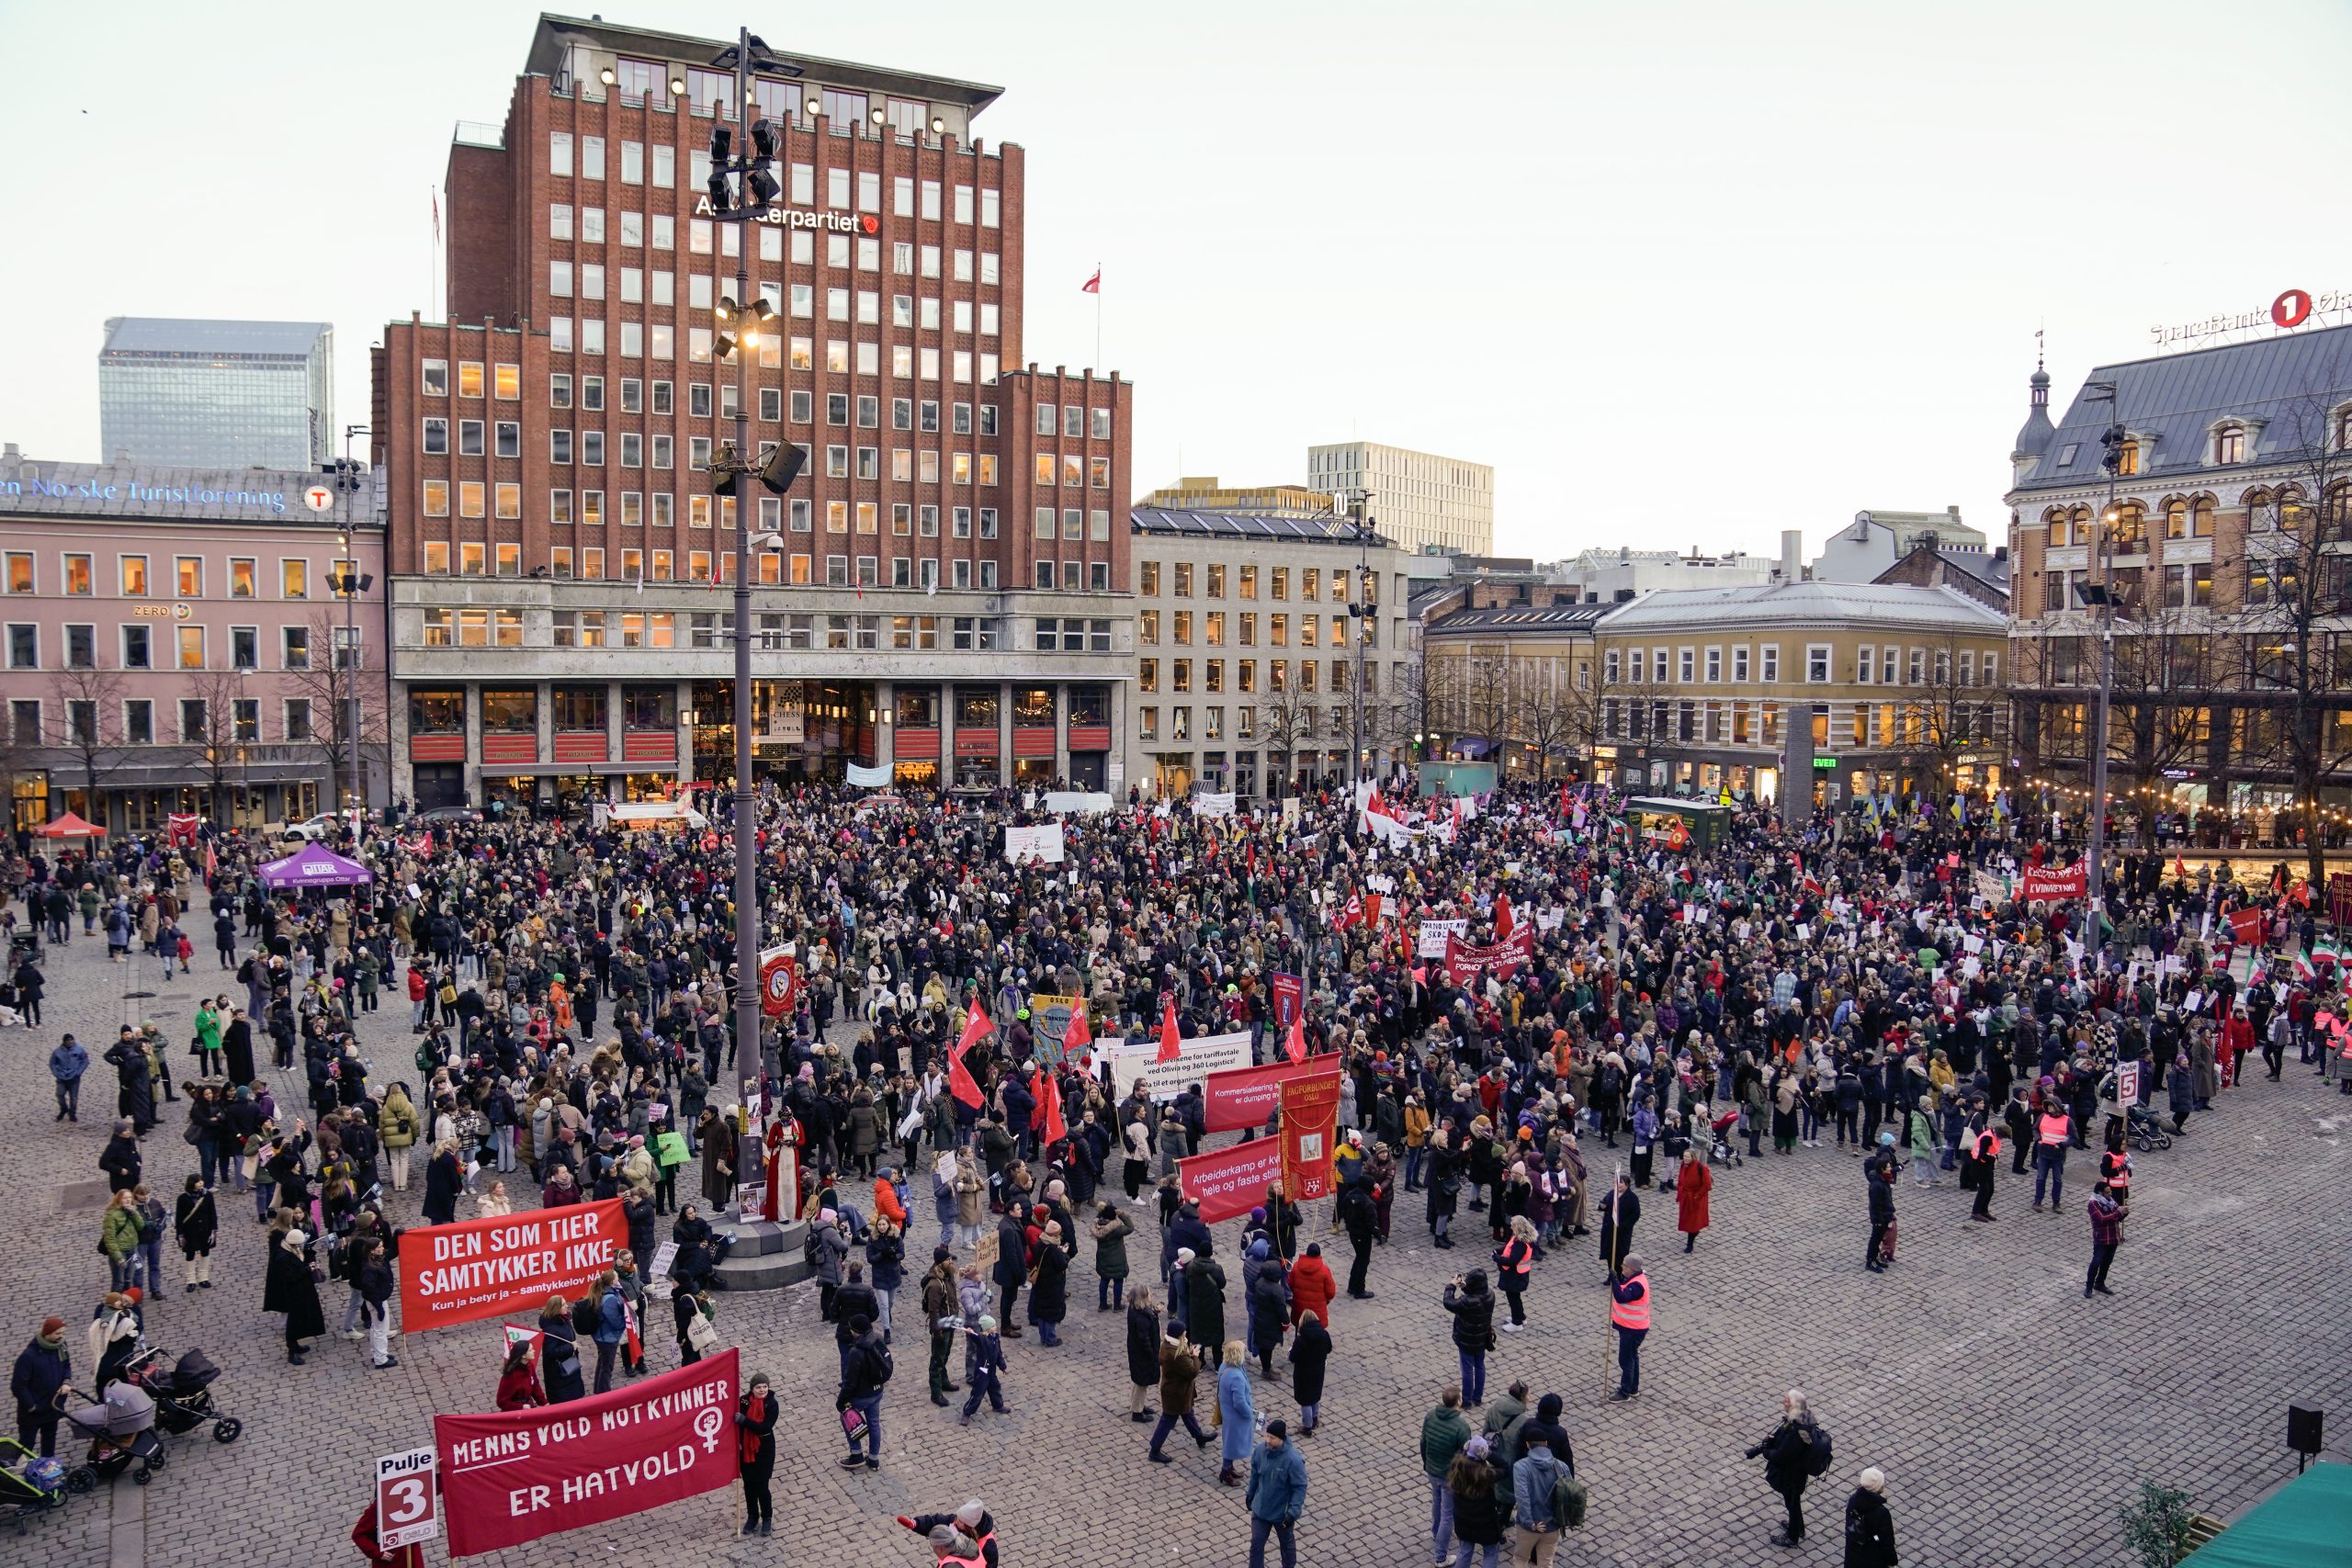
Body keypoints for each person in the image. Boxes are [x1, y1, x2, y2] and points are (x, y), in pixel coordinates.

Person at [1744, 1389, 1823, 1548]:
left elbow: (1782, 1456)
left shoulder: (1796, 1431)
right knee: (1793, 1502)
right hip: (1795, 1472)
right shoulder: (1800, 1419)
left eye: (1786, 1401)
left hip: (1792, 1474)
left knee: (1792, 1503)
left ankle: (1792, 1537)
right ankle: (1798, 1527)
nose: (1783, 1402)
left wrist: (1766, 1451)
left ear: (1794, 1405)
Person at [1244, 1417, 1306, 1568]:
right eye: (1267, 1436)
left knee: (1287, 1546)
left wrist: (1293, 1512)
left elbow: (1300, 1487)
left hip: (1282, 1514)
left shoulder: (1293, 1460)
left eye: (1272, 1438)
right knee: (1256, 1545)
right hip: (1261, 1510)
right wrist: (1250, 1493)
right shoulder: (1260, 1451)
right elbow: (1255, 1473)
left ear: (1281, 1439)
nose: (1268, 1440)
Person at [264, 1218, 326, 1365]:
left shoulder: (290, 1250)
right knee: (294, 1323)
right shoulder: (282, 1257)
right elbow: (291, 1276)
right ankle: (292, 1351)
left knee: (299, 1320)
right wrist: (307, 1269)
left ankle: (295, 1345)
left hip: (302, 1290)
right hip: (294, 1293)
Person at [1422, 1386, 1474, 1561]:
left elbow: (1423, 1442)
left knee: (1437, 1502)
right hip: (1449, 1476)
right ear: (1458, 1401)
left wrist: (1426, 1463)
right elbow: (1466, 1456)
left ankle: (1436, 1533)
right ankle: (1441, 1555)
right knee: (1448, 1514)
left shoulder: (1430, 1415)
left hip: (1432, 1469)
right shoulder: (1461, 1426)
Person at [1148, 1325, 1212, 1462]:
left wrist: (1187, 1353)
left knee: (1188, 1413)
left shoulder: (1167, 1346)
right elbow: (1192, 1372)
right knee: (1167, 1421)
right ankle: (1154, 1450)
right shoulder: (1177, 1355)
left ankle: (1199, 1436)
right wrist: (1194, 1357)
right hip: (1177, 1393)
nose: (1185, 1335)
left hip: (1174, 1391)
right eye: (1184, 1334)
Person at [1446, 1435, 1511, 1568]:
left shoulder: (1457, 1468)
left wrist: (1466, 1448)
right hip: (1486, 1524)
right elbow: (1505, 1468)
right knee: (1490, 1553)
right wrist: (1488, 1454)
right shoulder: (1487, 1475)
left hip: (1463, 1520)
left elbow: (1459, 1453)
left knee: (1464, 1552)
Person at [837, 1313, 891, 1471]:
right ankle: (873, 1459)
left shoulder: (856, 1351)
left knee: (846, 1417)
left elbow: (850, 1381)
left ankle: (856, 1454)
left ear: (856, 1331)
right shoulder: (878, 1339)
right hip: (877, 1391)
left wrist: (841, 1401)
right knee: (874, 1423)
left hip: (861, 1395)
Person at [11, 1317, 72, 1458]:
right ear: (47, 1333)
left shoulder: (61, 1347)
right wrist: (31, 1405)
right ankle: (17, 1472)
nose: (61, 1336)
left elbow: (66, 1366)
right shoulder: (28, 1357)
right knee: (26, 1444)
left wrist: (66, 1382)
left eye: (63, 1333)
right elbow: (18, 1385)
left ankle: (47, 1469)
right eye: (58, 1333)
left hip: (53, 1406)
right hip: (33, 1412)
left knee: (49, 1441)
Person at [1509, 1428, 1566, 1565]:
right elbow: (1567, 1495)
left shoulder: (1520, 1467)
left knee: (1521, 1559)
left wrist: (1530, 1523)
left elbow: (1522, 1497)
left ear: (1528, 1445)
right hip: (1552, 1526)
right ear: (1546, 1443)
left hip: (1530, 1527)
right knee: (1545, 1563)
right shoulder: (1561, 1466)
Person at [1443, 1269, 1497, 1408]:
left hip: (1466, 1340)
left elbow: (1449, 1303)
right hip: (1481, 1338)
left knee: (1467, 1370)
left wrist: (1451, 1286)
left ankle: (1466, 1401)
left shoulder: (1466, 1301)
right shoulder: (1490, 1294)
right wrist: (1465, 1287)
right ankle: (1477, 1397)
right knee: (1480, 1366)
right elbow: (1475, 1296)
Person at [733, 1371, 777, 1535]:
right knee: (749, 1486)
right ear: (752, 1388)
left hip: (764, 1450)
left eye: (765, 1386)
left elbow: (765, 1427)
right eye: (758, 1387)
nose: (762, 1390)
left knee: (762, 1486)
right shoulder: (743, 1401)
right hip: (745, 1449)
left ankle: (767, 1517)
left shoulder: (772, 1404)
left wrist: (745, 1421)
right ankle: (752, 1516)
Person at [896, 1501, 1001, 1568]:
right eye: (958, 1517)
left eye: (961, 1521)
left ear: (970, 1527)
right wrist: (916, 1524)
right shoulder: (956, 1522)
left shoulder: (987, 1544)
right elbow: (935, 1522)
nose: (956, 1521)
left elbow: (991, 1565)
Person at [1608, 1254, 1649, 1402]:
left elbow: (1622, 1297)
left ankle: (1625, 1391)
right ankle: (1633, 1388)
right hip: (1632, 1327)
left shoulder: (1637, 1285)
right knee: (1632, 1357)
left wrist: (1614, 1280)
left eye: (1624, 1266)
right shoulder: (1634, 1279)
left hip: (1633, 1329)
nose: (1621, 1267)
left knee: (1626, 1360)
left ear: (1631, 1269)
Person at [1218, 1337, 1255, 1485]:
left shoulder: (1224, 1367)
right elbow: (1239, 1401)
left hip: (1228, 1413)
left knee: (1230, 1441)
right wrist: (1249, 1413)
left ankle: (1229, 1468)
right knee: (1231, 1443)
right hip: (1236, 1416)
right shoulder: (1236, 1376)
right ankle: (1226, 1471)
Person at [958, 1313, 1006, 1425]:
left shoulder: (996, 1339)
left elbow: (999, 1354)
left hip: (991, 1371)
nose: (995, 1327)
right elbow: (976, 1337)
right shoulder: (983, 1339)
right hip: (983, 1372)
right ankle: (967, 1412)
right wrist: (970, 1333)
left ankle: (998, 1405)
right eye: (993, 1326)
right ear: (987, 1329)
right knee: (977, 1393)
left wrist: (1003, 1366)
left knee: (995, 1388)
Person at [1844, 1468, 1897, 1567]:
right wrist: (1892, 1562)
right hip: (1873, 1559)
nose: (1883, 1484)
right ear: (1876, 1487)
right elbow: (1886, 1542)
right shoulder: (1882, 1513)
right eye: (1882, 1482)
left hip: (1853, 1556)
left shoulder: (1853, 1500)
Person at [1124, 1285, 1160, 1421]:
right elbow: (1144, 1339)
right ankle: (1137, 1412)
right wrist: (1152, 1355)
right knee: (1142, 1383)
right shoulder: (1140, 1317)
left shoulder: (1136, 1309)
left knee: (1140, 1381)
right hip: (1142, 1355)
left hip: (1136, 1352)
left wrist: (1154, 1313)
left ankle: (1138, 1405)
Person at [539, 1295, 585, 1404]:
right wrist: (570, 1347)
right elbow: (550, 1352)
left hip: (570, 1366)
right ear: (556, 1308)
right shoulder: (550, 1330)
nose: (567, 1306)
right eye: (564, 1305)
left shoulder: (564, 1320)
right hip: (559, 1373)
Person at [2086, 1180, 2128, 1298]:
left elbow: (2117, 1217)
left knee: (2107, 1263)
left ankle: (2100, 1283)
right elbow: (2102, 1219)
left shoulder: (2111, 1201)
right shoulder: (2093, 1203)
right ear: (2100, 1193)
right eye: (2108, 1192)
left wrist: (2124, 1212)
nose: (2110, 1194)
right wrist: (2118, 1213)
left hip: (2113, 1237)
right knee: (2096, 1262)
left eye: (2110, 1192)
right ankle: (2089, 1286)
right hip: (2102, 1239)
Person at [1494, 1217, 1536, 1331]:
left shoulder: (1520, 1244)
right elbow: (1508, 1247)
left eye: (1512, 1225)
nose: (1511, 1227)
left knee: (1513, 1298)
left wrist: (1497, 1258)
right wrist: (1499, 1251)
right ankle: (1520, 1317)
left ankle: (1517, 1323)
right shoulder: (1519, 1239)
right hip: (1518, 1274)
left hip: (1515, 1276)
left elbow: (1512, 1261)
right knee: (1515, 1297)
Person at [1598, 1173, 1639, 1280]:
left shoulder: (1632, 1198)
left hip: (1622, 1232)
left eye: (1620, 1183)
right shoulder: (1612, 1193)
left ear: (1627, 1185)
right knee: (1609, 1254)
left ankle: (1620, 1276)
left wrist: (1624, 1226)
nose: (1618, 1185)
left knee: (1620, 1255)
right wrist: (1602, 1206)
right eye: (1616, 1182)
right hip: (1609, 1230)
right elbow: (1604, 1205)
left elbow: (1635, 1214)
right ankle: (1611, 1275)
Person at [1676, 1145, 1713, 1251]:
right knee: (1687, 1220)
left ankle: (1689, 1244)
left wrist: (1697, 1196)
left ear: (1693, 1157)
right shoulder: (1683, 1165)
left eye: (1687, 1157)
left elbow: (1707, 1185)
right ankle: (1692, 1236)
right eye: (1684, 1156)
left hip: (1696, 1200)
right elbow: (1680, 1178)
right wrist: (1679, 1189)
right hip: (1686, 1198)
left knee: (1693, 1222)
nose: (1685, 1159)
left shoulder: (1701, 1168)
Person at [1866, 1156, 1896, 1273]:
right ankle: (1870, 1261)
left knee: (1878, 1240)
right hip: (1880, 1217)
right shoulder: (1877, 1185)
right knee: (1875, 1240)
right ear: (1882, 1169)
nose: (1890, 1169)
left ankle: (1874, 1258)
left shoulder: (1884, 1180)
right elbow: (1875, 1205)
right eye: (1888, 1168)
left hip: (1885, 1215)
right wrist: (1878, 1220)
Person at [494, 1340, 544, 1410]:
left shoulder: (530, 1366)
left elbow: (535, 1386)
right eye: (530, 1350)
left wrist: (544, 1403)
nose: (534, 1351)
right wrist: (521, 1406)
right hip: (515, 1413)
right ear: (523, 1355)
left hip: (529, 1408)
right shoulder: (511, 1376)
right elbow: (501, 1402)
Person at [49, 1034, 86, 1122]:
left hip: (74, 1078)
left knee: (73, 1098)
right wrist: (57, 1073)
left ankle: (72, 1114)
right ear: (64, 1041)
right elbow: (52, 1063)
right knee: (59, 1094)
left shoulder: (79, 1050)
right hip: (62, 1078)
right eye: (68, 1040)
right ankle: (64, 1108)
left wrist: (78, 1072)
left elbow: (85, 1061)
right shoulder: (57, 1052)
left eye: (71, 1040)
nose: (70, 1042)